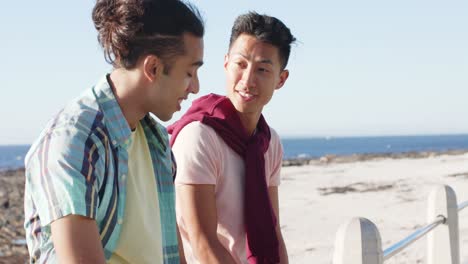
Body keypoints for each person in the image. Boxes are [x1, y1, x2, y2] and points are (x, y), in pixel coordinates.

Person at [23, 0, 204, 263]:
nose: (195, 87)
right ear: (153, 68)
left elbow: (171, 254)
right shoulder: (75, 143)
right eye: (190, 72)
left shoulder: (156, 140)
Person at [168, 12, 295, 264]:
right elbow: (202, 242)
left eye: (262, 69)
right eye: (241, 64)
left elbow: (274, 231)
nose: (247, 80)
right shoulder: (199, 136)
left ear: (281, 79)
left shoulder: (269, 143)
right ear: (226, 63)